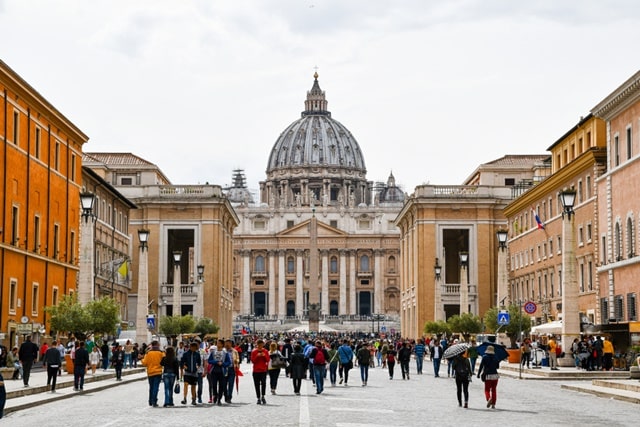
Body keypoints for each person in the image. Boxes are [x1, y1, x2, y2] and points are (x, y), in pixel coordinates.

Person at [141, 340, 164, 407]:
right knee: (156, 387)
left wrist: (141, 359)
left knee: (151, 387)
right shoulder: (161, 353)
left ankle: (150, 401)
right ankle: (154, 401)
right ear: (157, 345)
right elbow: (164, 361)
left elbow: (145, 363)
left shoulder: (148, 353)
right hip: (158, 372)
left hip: (150, 372)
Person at [207, 340, 231, 405]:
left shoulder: (225, 353)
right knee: (214, 385)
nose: (218, 344)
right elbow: (209, 360)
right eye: (217, 343)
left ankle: (219, 399)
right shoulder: (213, 352)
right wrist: (216, 362)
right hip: (214, 370)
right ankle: (215, 395)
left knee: (221, 386)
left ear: (222, 345)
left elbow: (229, 362)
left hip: (222, 371)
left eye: (219, 343)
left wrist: (223, 364)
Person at [181, 341, 202, 406]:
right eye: (193, 347)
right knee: (186, 384)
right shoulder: (185, 354)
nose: (194, 349)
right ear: (190, 347)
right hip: (187, 372)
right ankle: (184, 398)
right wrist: (184, 367)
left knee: (193, 386)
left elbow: (199, 362)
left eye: (195, 347)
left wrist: (197, 367)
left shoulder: (197, 354)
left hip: (194, 373)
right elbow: (182, 362)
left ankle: (193, 399)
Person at [251, 339, 270, 405]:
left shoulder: (266, 351)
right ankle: (258, 397)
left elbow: (267, 360)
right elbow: (253, 361)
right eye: (259, 345)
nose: (260, 346)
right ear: (257, 345)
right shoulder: (254, 351)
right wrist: (257, 356)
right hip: (256, 370)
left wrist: (264, 356)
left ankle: (263, 396)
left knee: (263, 383)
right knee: (256, 385)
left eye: (261, 345)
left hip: (263, 370)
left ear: (263, 345)